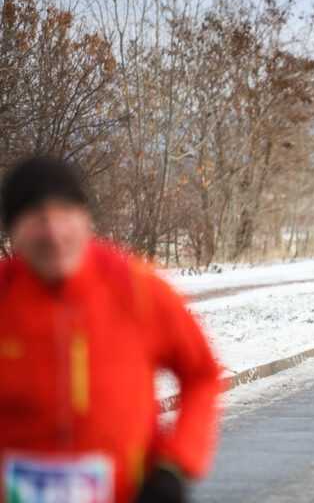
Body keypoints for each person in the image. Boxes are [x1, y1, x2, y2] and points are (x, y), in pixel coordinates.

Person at [0, 155, 221, 503]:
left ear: (85, 218)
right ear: (13, 231)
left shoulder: (138, 289)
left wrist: (175, 465)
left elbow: (202, 375)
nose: (53, 233)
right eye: (36, 218)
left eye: (64, 213)